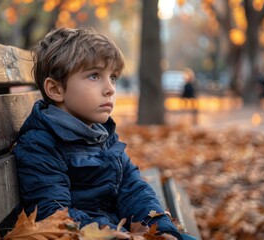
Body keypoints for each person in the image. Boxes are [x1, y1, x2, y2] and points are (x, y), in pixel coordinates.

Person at [12, 27, 196, 240]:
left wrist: (158, 227)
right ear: (56, 90)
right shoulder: (40, 144)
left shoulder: (103, 136)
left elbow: (133, 188)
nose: (110, 88)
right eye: (94, 76)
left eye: (113, 77)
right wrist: (111, 232)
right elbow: (53, 215)